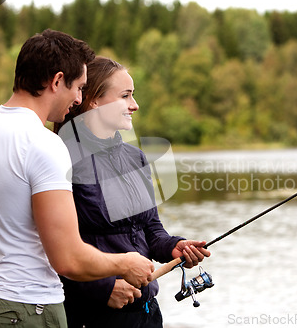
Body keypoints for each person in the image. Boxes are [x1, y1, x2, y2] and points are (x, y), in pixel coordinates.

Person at [0, 30, 154, 328]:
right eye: (79, 87)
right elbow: (68, 259)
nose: (80, 99)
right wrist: (126, 262)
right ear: (57, 81)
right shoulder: (43, 144)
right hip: (24, 310)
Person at [54, 56, 211, 328]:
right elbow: (50, 245)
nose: (134, 105)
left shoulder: (135, 158)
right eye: (125, 96)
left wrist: (176, 246)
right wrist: (102, 288)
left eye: (133, 96)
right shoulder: (62, 156)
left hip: (147, 313)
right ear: (93, 101)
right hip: (90, 316)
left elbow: (151, 230)